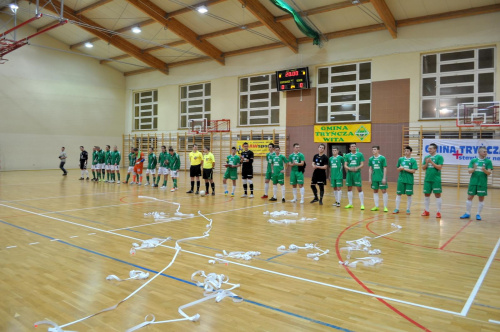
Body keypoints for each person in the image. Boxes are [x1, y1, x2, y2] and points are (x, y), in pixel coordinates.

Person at [460, 147, 493, 221]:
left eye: (486, 151)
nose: (485, 153)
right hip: (473, 182)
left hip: (482, 183)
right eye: (484, 151)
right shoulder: (473, 160)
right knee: (469, 198)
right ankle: (467, 213)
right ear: (479, 152)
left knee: (481, 199)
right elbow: (469, 171)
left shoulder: (488, 161)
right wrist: (474, 168)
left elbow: (489, 173)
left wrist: (484, 170)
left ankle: (478, 214)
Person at [393, 146, 418, 214]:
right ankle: (397, 208)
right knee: (398, 193)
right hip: (401, 179)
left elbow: (413, 171)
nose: (406, 152)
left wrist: (404, 169)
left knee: (409, 194)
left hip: (409, 180)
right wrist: (400, 169)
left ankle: (408, 209)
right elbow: (397, 169)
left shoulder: (413, 160)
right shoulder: (401, 159)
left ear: (410, 152)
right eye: (405, 151)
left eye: (407, 151)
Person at [422, 143, 444, 218]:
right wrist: (427, 163)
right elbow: (423, 168)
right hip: (427, 179)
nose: (429, 150)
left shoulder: (439, 157)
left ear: (435, 149)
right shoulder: (426, 157)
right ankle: (426, 211)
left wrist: (431, 162)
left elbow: (439, 167)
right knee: (426, 195)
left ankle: (438, 212)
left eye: (431, 149)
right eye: (428, 149)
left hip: (436, 180)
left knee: (437, 195)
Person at [344, 143, 365, 210]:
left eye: (355, 146)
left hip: (357, 173)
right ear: (350, 148)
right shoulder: (347, 155)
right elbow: (345, 165)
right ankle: (350, 204)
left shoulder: (360, 154)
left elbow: (362, 164)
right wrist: (349, 168)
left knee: (359, 189)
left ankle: (362, 204)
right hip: (350, 173)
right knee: (349, 188)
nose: (354, 147)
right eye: (352, 146)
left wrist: (357, 168)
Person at [368, 146, 388, 212]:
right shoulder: (371, 159)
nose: (373, 150)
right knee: (375, 191)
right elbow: (370, 168)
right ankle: (376, 206)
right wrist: (370, 178)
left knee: (384, 191)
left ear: (378, 150)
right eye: (372, 149)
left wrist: (384, 178)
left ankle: (385, 207)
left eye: (375, 149)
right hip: (374, 178)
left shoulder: (382, 158)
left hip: (381, 177)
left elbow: (385, 168)